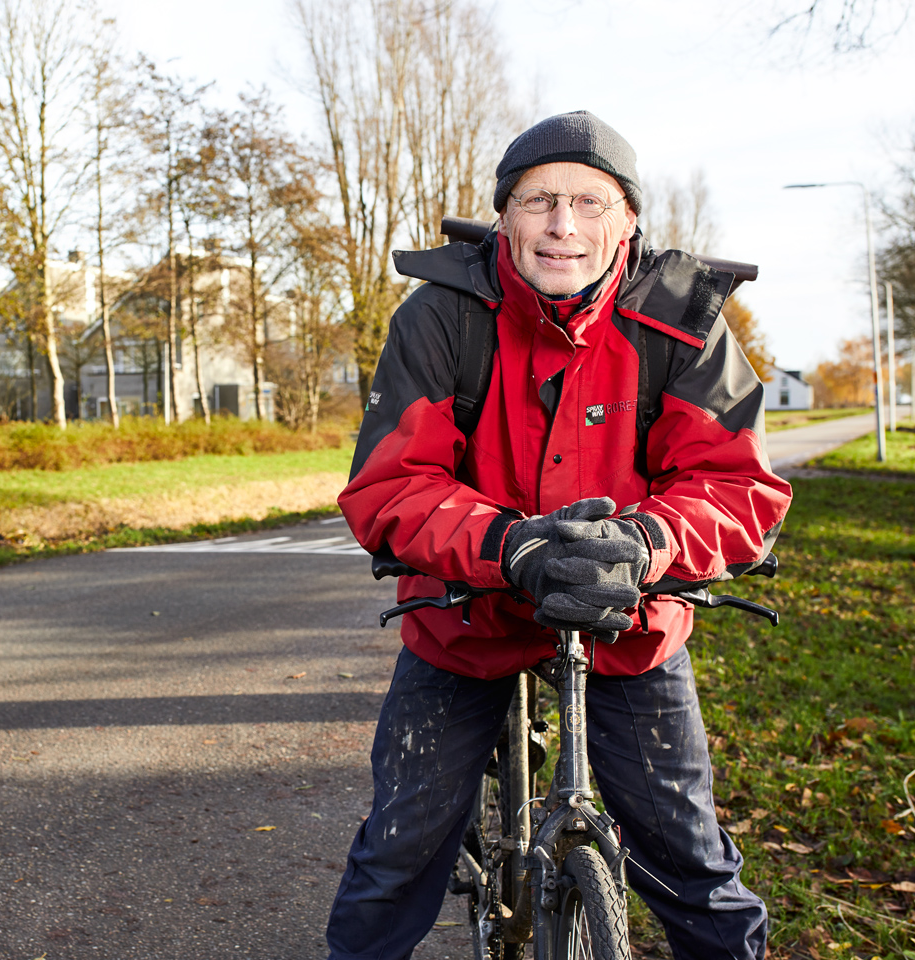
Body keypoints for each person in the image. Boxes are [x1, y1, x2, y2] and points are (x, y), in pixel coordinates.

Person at [329, 111, 792, 960]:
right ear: (504, 215)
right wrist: (513, 545)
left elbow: (735, 484)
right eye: (539, 201)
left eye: (590, 201)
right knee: (398, 853)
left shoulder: (683, 322)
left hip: (629, 625)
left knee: (691, 864)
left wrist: (648, 544)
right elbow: (390, 483)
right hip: (468, 618)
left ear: (628, 220)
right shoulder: (442, 318)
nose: (563, 226)